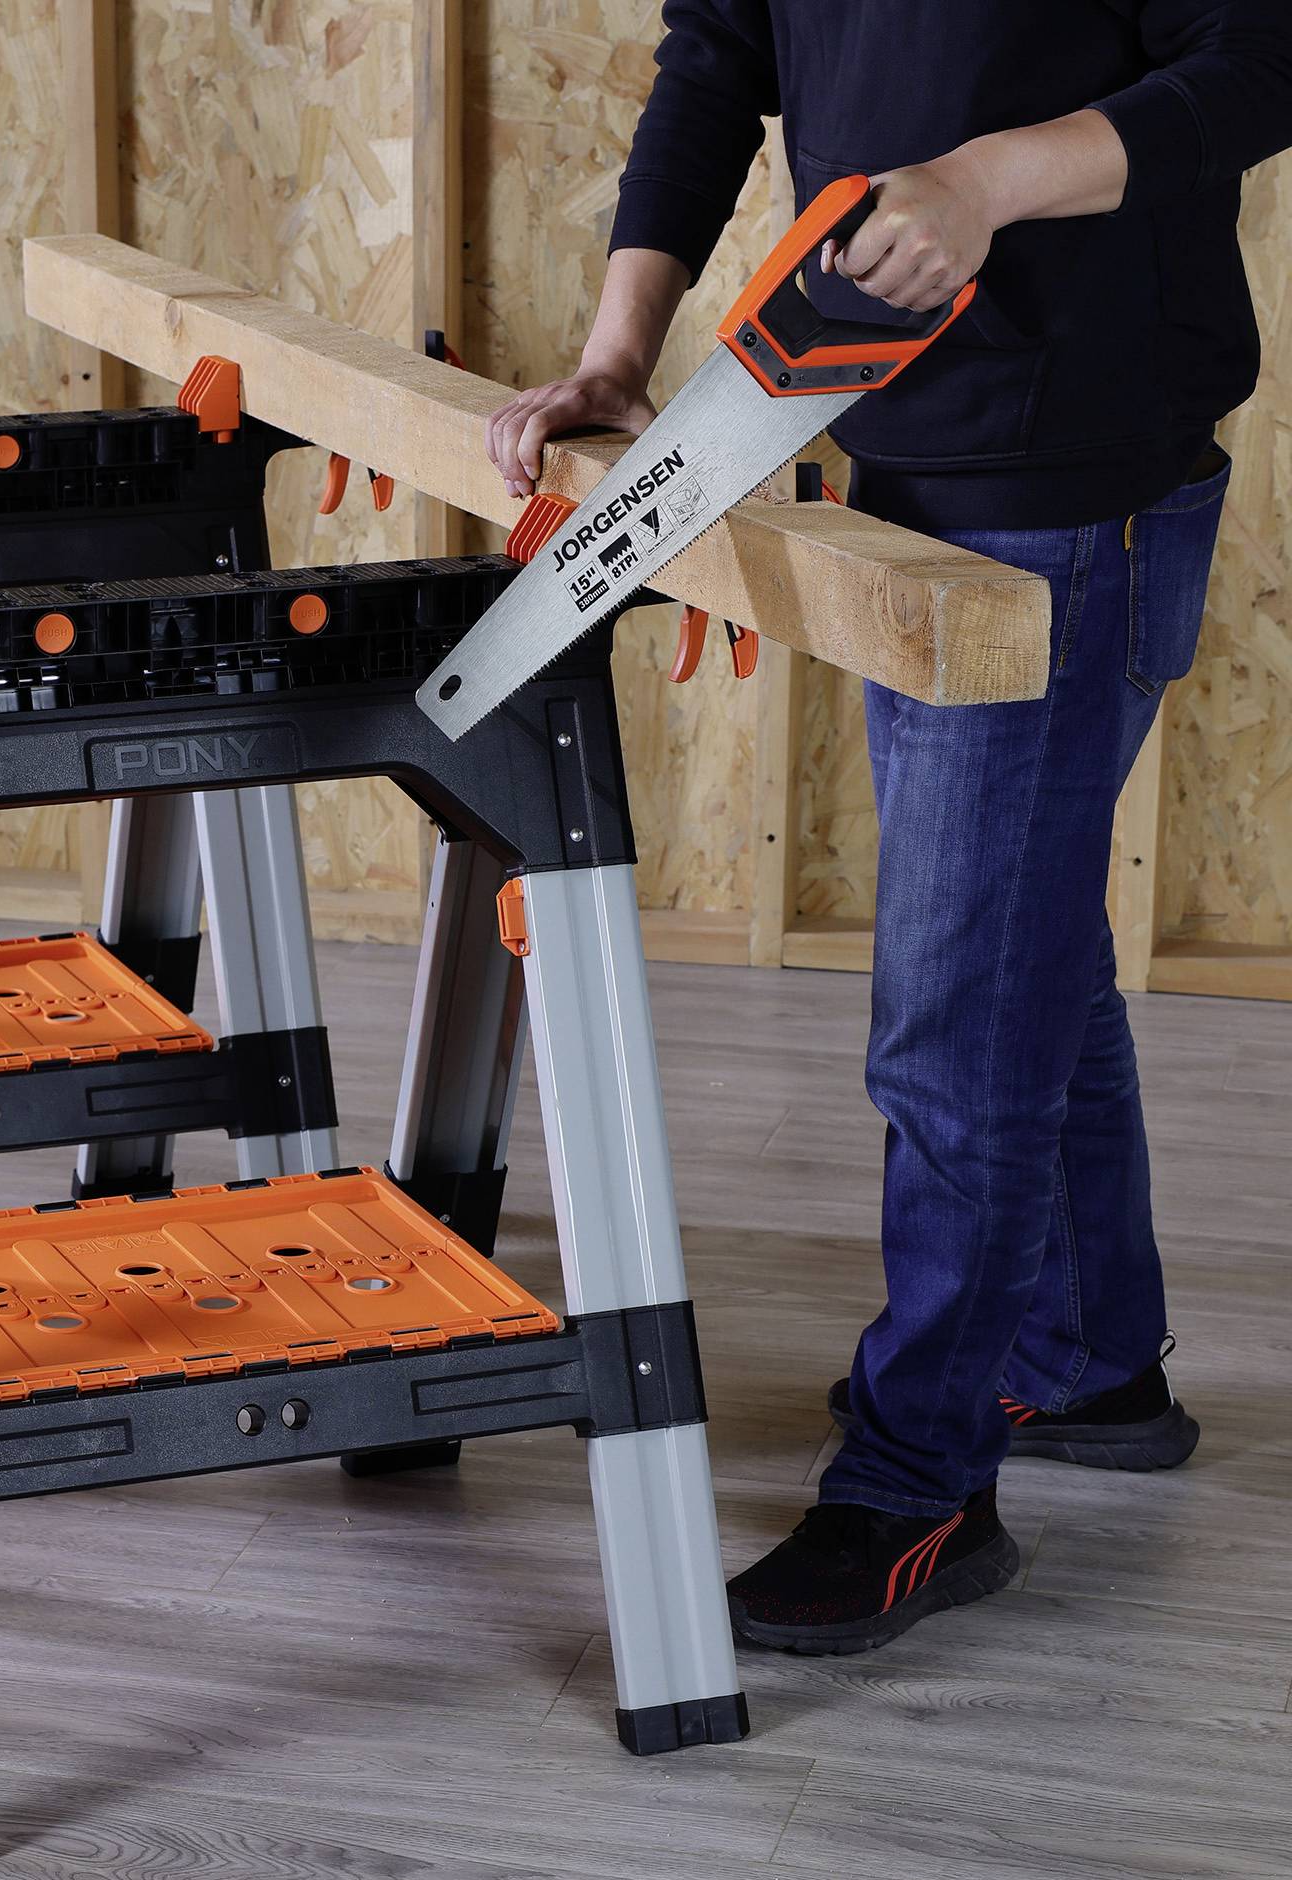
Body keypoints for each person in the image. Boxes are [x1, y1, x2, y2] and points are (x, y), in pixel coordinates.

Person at [486, 2, 1292, 1654]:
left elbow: (1260, 64)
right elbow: (717, 63)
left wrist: (985, 183)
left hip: (1078, 489)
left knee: (956, 1027)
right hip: (904, 452)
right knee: (1021, 960)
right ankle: (1087, 1357)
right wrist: (621, 351)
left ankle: (921, 1486)